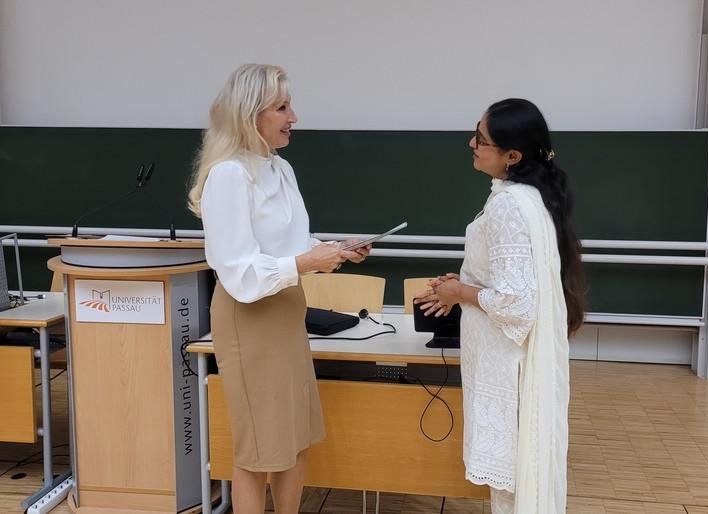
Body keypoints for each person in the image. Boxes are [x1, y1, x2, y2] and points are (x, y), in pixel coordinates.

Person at [187, 64, 370, 514]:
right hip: (249, 316)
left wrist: (333, 250)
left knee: (294, 437)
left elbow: (289, 247)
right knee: (257, 449)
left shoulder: (280, 168)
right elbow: (239, 270)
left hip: (287, 310)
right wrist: (307, 260)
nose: (295, 117)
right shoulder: (229, 175)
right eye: (282, 107)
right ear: (251, 114)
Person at [414, 98, 586, 514]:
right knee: (514, 481)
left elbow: (516, 303)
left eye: (482, 140)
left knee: (511, 488)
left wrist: (459, 294)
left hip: (505, 366)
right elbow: (513, 283)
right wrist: (466, 284)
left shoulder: (510, 205)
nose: (472, 143)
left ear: (512, 155)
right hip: (507, 361)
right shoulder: (528, 196)